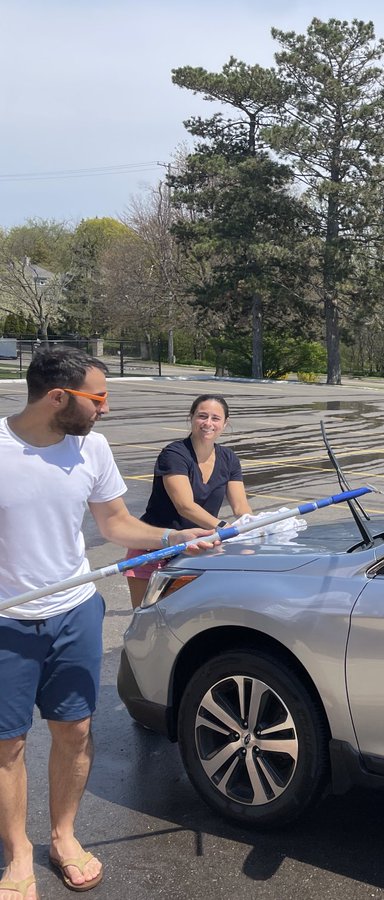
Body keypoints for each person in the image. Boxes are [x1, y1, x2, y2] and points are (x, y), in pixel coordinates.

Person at [0, 347, 216, 898]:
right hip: (6, 622)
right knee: (7, 745)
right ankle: (18, 852)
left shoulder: (91, 447)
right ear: (58, 397)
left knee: (75, 731)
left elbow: (116, 522)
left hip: (73, 610)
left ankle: (63, 836)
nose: (106, 408)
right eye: (97, 398)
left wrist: (174, 536)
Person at [124, 394, 253, 608]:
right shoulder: (174, 454)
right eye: (202, 416)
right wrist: (223, 527)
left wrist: (255, 526)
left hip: (196, 551)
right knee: (147, 618)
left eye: (215, 418)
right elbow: (185, 506)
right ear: (191, 417)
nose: (208, 423)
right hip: (156, 549)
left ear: (225, 423)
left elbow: (241, 507)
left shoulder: (229, 458)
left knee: (188, 618)